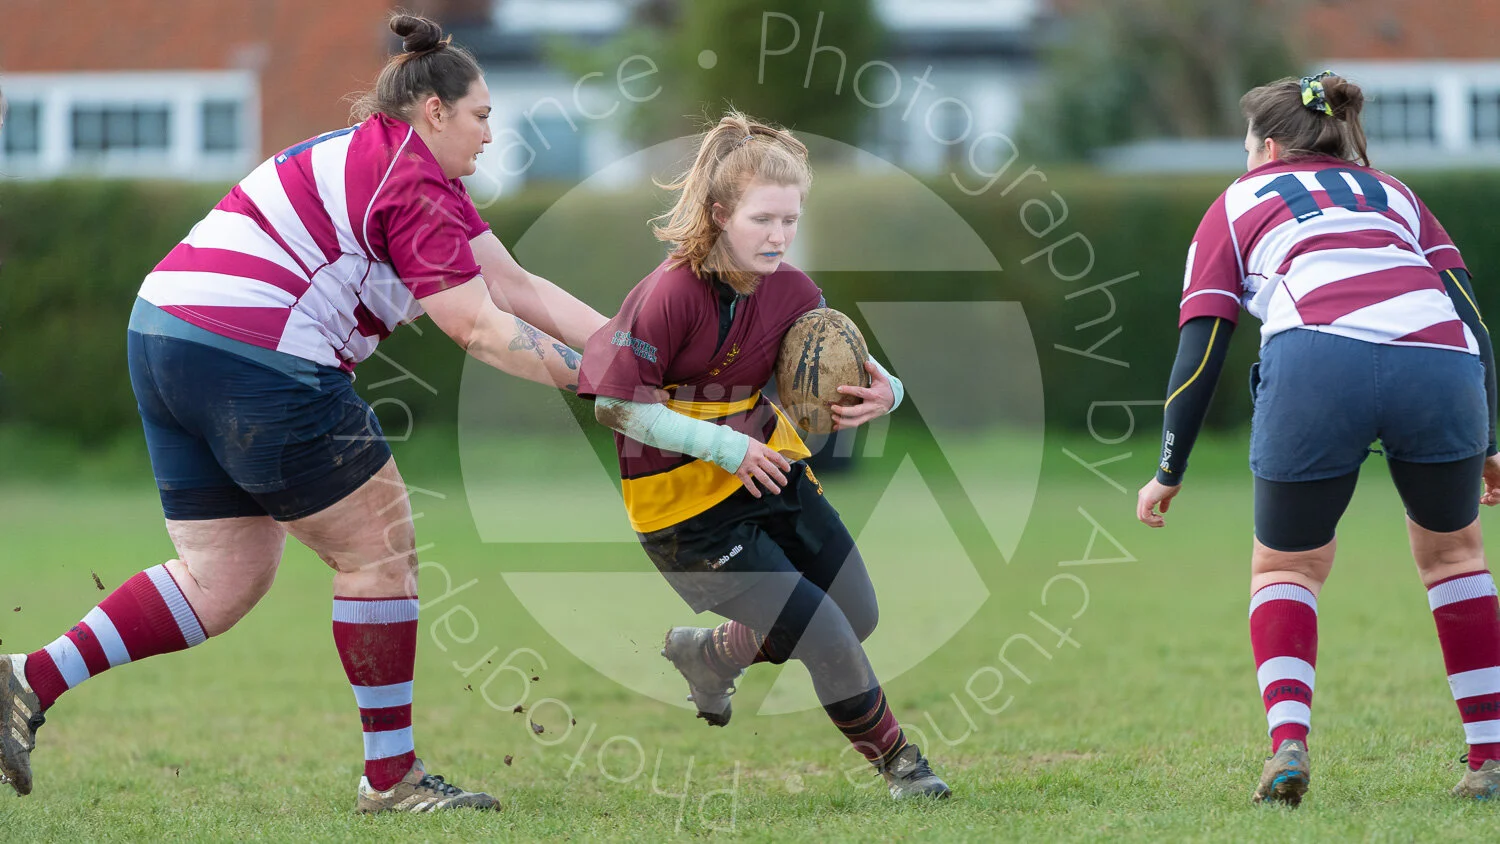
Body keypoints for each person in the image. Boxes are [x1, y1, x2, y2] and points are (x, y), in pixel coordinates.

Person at [0, 14, 604, 813]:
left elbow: (517, 287)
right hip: (254, 352)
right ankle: (391, 779)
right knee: (380, 554)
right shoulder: (413, 182)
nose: (493, 134)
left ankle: (24, 680)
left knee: (225, 578)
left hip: (162, 333)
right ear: (433, 110)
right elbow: (481, 329)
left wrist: (629, 354)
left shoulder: (389, 164)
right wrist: (610, 386)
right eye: (482, 115)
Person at [1136, 72, 1500, 805]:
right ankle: (1490, 759)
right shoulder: (1396, 194)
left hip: (1316, 360)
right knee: (1455, 556)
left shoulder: (1237, 202)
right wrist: (1488, 438)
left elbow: (1202, 344)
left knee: (1287, 569)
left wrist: (1168, 468)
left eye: (1245, 146)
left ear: (1269, 147)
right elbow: (1471, 318)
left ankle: (1289, 744)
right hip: (1440, 362)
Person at [577, 112, 950, 801]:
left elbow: (861, 368)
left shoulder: (794, 292)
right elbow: (615, 406)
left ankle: (708, 655)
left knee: (856, 613)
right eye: (763, 220)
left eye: (790, 220)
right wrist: (724, 445)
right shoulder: (671, 294)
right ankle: (902, 764)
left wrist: (887, 393)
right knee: (823, 629)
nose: (779, 236)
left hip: (769, 478)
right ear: (719, 214)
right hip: (685, 517)